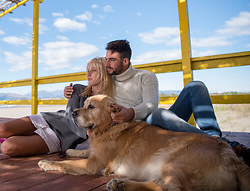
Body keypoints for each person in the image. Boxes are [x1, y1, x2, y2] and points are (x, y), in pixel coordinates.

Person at [65, 39, 249, 166]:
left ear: (125, 60)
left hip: (150, 119)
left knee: (195, 87)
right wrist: (71, 90)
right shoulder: (109, 79)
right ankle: (227, 146)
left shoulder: (146, 77)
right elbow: (91, 85)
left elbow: (150, 106)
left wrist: (130, 112)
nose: (107, 64)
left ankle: (215, 139)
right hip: (135, 131)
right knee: (159, 114)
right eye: (106, 60)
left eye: (112, 60)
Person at [0, 57, 113, 156]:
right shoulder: (78, 89)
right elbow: (70, 117)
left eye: (93, 70)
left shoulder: (107, 101)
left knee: (7, 147)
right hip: (49, 119)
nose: (88, 73)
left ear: (103, 73)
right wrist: (89, 132)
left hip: (59, 139)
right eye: (87, 70)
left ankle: (15, 136)